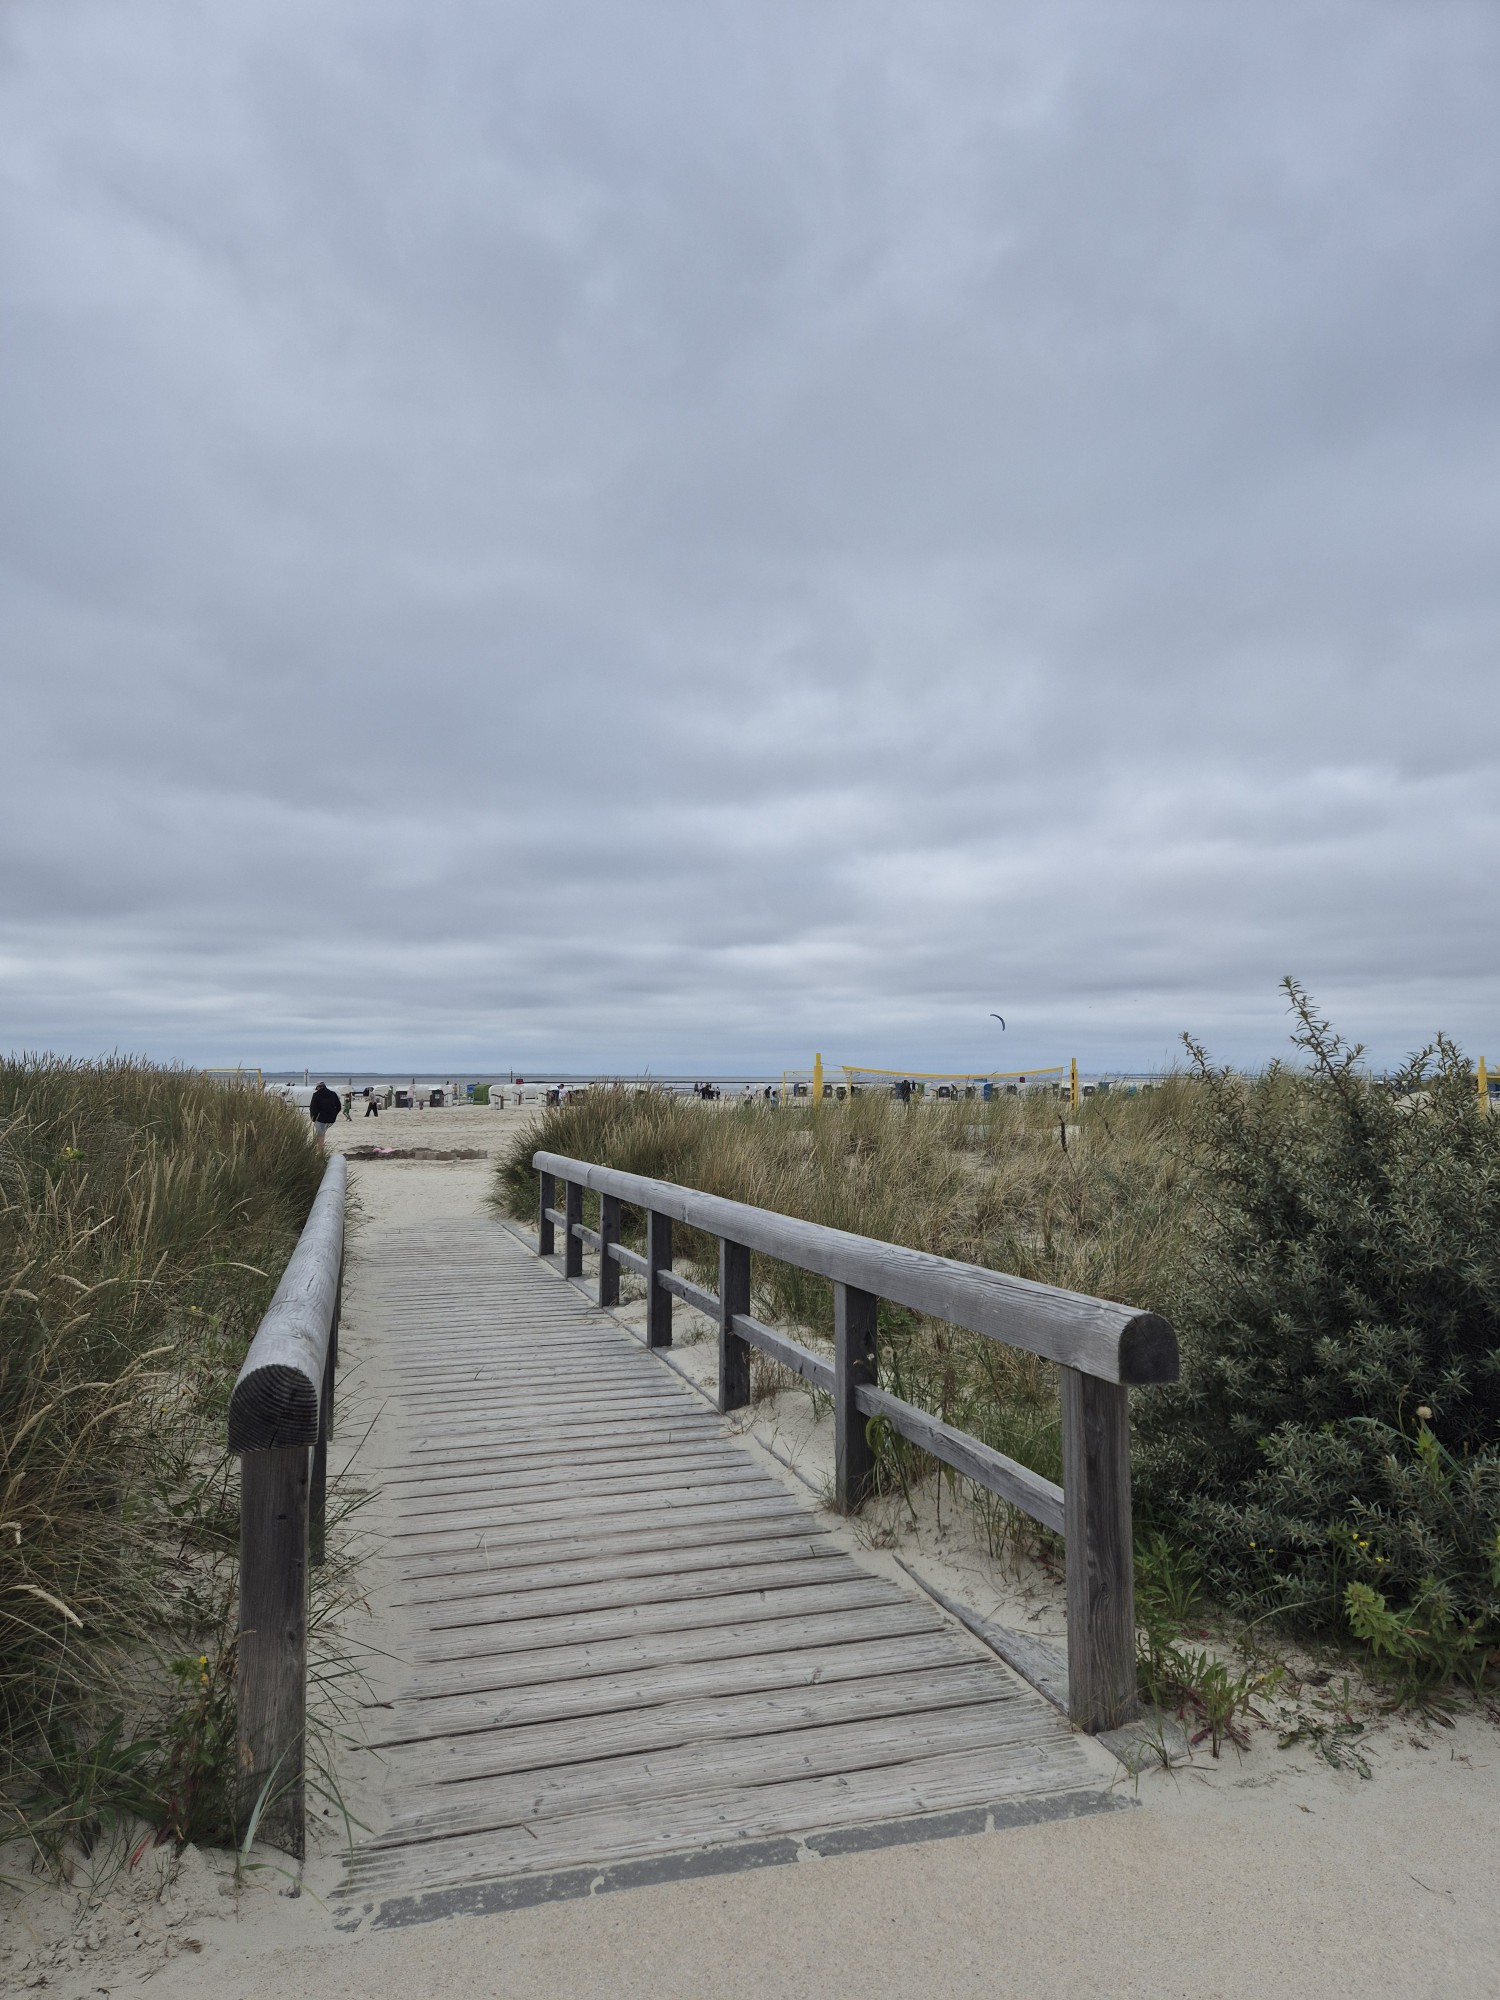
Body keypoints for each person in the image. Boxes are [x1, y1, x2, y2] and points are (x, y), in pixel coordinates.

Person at [309, 1080, 341, 1147]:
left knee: (320, 1135)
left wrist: (313, 1118)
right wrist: (334, 1114)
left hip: (320, 1118)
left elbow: (312, 1108)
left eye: (317, 1088)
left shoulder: (316, 1095)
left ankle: (320, 1150)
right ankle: (320, 1147)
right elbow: (338, 1106)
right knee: (322, 1133)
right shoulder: (333, 1094)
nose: (316, 1090)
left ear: (318, 1087)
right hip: (331, 1119)